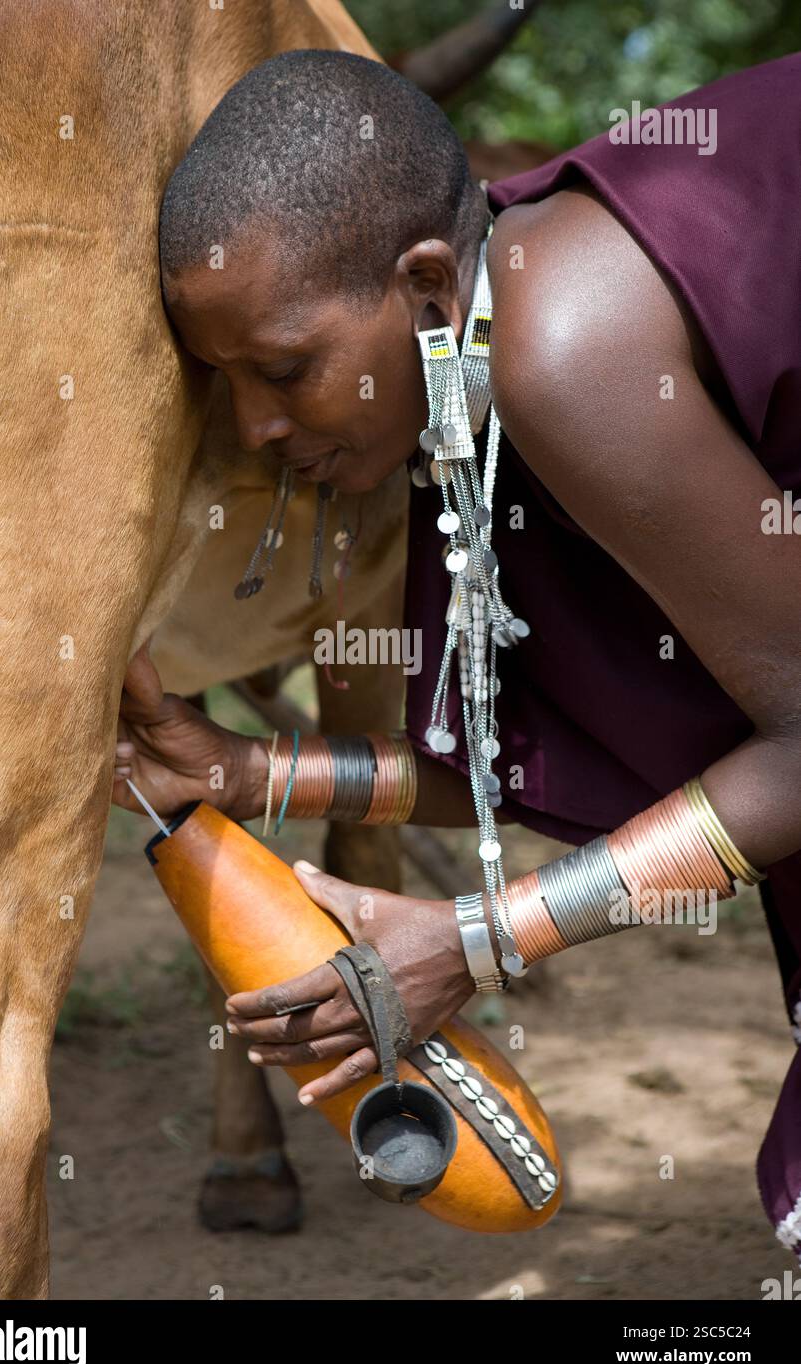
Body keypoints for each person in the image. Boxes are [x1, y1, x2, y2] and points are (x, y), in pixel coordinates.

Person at [115, 49, 801, 1257]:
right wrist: (247, 774)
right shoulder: (476, 408)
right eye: (224, 384)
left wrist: (480, 940)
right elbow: (536, 764)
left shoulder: (562, 347)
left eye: (282, 369)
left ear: (426, 286)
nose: (257, 429)